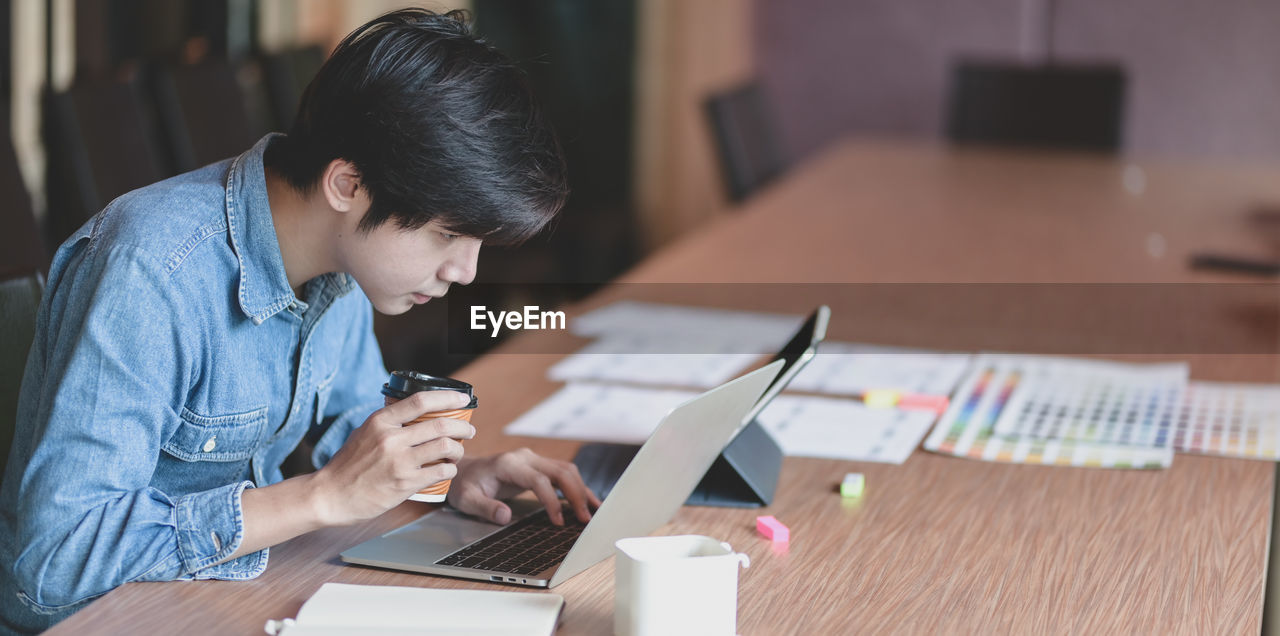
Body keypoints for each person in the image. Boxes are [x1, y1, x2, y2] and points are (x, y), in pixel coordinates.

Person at [0, 9, 599, 634]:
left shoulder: (341, 262)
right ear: (347, 184)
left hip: (224, 596)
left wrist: (440, 477)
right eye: (447, 234)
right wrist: (321, 496)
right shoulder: (150, 273)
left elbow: (346, 429)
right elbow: (56, 559)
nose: (465, 272)